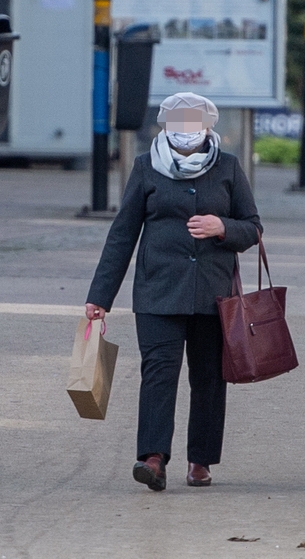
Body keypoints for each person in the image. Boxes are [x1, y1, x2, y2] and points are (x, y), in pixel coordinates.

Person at [85, 92, 261, 491]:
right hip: (158, 292)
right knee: (159, 373)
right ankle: (153, 458)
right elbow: (123, 234)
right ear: (165, 126)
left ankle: (200, 460)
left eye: (193, 121)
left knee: (209, 378)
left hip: (214, 294)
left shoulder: (229, 168)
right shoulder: (146, 168)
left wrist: (223, 228)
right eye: (177, 122)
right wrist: (100, 296)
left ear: (208, 125)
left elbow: (252, 227)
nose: (185, 130)